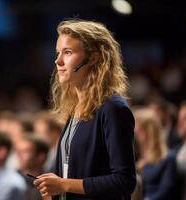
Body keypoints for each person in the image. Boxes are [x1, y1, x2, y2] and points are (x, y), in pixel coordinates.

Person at [34, 19, 136, 200]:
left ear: (93, 58)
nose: (58, 61)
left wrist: (63, 184)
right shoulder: (75, 107)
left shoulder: (113, 108)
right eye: (58, 53)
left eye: (67, 52)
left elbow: (124, 181)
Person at [134, 108, 176, 200]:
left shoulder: (168, 158)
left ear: (147, 132)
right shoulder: (137, 155)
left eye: (138, 132)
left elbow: (165, 191)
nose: (135, 137)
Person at [15, 134, 49, 200]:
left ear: (41, 156)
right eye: (18, 151)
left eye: (25, 151)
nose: (19, 155)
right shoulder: (11, 178)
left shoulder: (51, 183)